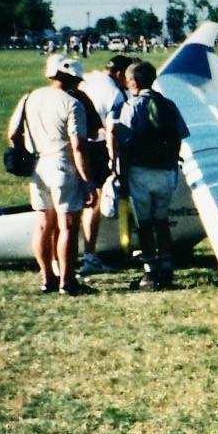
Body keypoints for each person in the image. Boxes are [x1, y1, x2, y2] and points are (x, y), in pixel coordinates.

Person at [8, 53, 91, 294]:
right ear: (71, 79)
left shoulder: (29, 97)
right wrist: (88, 181)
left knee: (43, 224)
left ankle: (47, 278)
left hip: (39, 166)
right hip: (63, 164)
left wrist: (25, 152)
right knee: (68, 226)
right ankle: (68, 280)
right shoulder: (72, 103)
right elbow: (78, 146)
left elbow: (13, 133)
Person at [112, 60, 190, 290]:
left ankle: (150, 270)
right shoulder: (168, 105)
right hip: (166, 171)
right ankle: (167, 266)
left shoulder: (132, 106)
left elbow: (125, 144)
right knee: (162, 220)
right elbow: (179, 137)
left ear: (134, 82)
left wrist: (122, 175)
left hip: (140, 172)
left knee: (145, 224)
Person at [76, 54, 133, 274]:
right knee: (95, 201)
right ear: (119, 74)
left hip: (74, 145)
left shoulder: (91, 79)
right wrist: (113, 159)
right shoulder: (115, 94)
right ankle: (90, 255)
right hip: (95, 148)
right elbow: (111, 130)